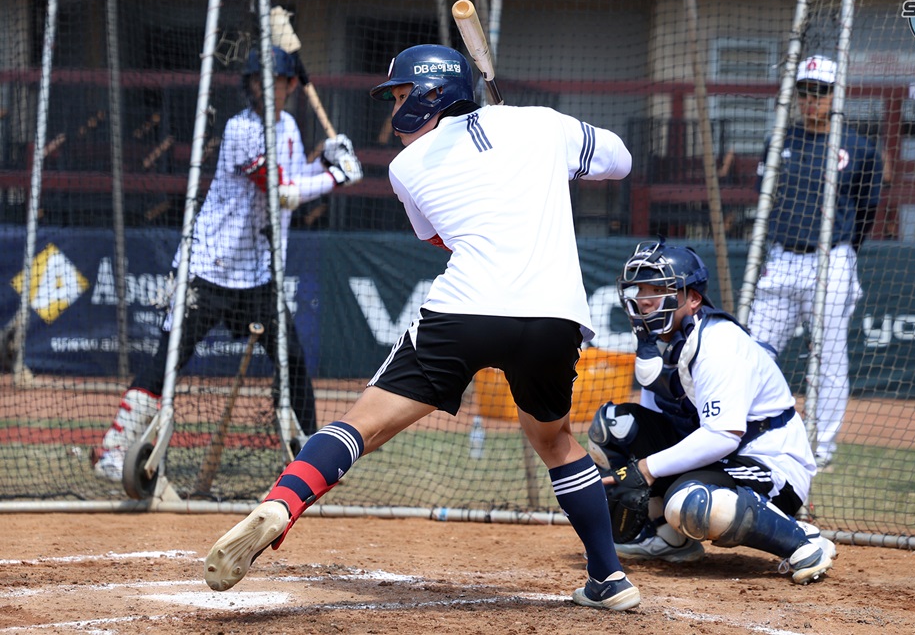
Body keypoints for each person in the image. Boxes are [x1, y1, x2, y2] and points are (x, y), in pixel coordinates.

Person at [202, 44, 641, 611]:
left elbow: (442, 239)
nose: (395, 111)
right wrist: (557, 156)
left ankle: (283, 504)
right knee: (556, 441)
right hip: (554, 316)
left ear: (436, 95)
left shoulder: (406, 167)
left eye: (404, 96)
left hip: (467, 308)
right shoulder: (542, 125)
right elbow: (622, 161)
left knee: (364, 424)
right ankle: (609, 578)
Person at [91, 45, 363, 481]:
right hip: (208, 269)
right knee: (167, 360)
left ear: (291, 85)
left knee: (291, 359)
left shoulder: (289, 126)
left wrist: (327, 156)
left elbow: (295, 178)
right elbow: (281, 192)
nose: (262, 88)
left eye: (272, 80)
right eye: (257, 80)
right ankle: (114, 451)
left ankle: (316, 463)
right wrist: (337, 175)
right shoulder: (242, 130)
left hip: (258, 276)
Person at [587, 239, 836, 583]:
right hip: (717, 459)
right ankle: (669, 539)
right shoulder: (659, 341)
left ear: (692, 299)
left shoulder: (719, 344)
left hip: (769, 462)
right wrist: (633, 467)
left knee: (691, 505)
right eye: (640, 289)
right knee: (613, 427)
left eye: (658, 289)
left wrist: (644, 469)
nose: (644, 300)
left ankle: (802, 541)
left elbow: (723, 435)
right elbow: (654, 421)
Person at [748, 54, 883, 470]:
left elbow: (867, 208)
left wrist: (847, 250)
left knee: (828, 356)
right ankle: (750, 432)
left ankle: (821, 444)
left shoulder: (859, 147)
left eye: (820, 91)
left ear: (835, 95)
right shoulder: (780, 140)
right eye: (805, 91)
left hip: (833, 259)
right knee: (752, 350)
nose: (812, 99)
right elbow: (765, 198)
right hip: (782, 255)